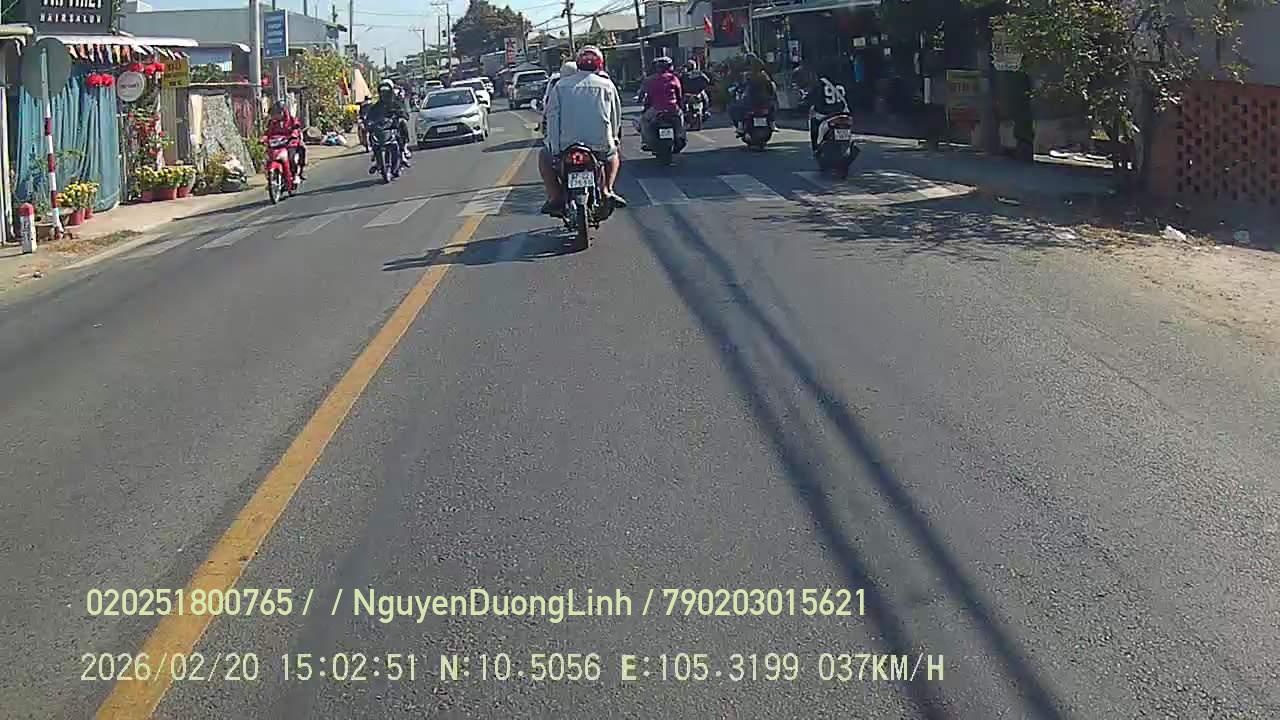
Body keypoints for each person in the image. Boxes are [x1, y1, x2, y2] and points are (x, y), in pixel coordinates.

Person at [540, 45, 627, 215]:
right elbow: (615, 117)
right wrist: (613, 139)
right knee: (613, 155)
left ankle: (555, 196)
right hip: (600, 145)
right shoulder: (607, 85)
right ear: (600, 64)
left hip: (565, 146)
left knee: (544, 156)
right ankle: (607, 190)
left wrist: (555, 148)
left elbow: (552, 118)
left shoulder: (560, 86)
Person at [799, 62, 851, 154]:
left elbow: (813, 97)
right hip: (842, 111)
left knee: (813, 118)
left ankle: (815, 147)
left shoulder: (820, 83)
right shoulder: (841, 81)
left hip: (825, 113)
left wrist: (805, 99)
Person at [363, 79, 411, 174]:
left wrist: (401, 116)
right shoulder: (376, 106)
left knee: (403, 125)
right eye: (382, 92)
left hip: (393, 127)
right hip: (381, 129)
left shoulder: (396, 103)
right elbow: (369, 116)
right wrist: (367, 122)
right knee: (371, 134)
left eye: (386, 91)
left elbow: (404, 113)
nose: (384, 94)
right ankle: (376, 157)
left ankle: (403, 151)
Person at [638, 56, 685, 151]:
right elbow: (679, 95)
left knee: (643, 120)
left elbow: (642, 94)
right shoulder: (674, 78)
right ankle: (680, 136)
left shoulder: (649, 80)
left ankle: (646, 141)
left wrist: (639, 100)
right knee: (680, 119)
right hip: (673, 109)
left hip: (656, 109)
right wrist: (681, 107)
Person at [729, 54, 778, 134]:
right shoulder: (764, 75)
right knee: (771, 107)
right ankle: (772, 124)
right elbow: (771, 87)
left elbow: (741, 85)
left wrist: (736, 90)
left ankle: (740, 127)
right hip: (763, 101)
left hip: (751, 101)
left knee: (737, 108)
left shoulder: (749, 75)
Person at [266, 100, 305, 182]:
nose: (277, 115)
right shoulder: (272, 123)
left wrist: (293, 135)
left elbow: (296, 128)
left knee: (291, 158)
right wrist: (263, 139)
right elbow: (268, 133)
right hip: (277, 144)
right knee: (269, 158)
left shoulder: (292, 120)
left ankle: (295, 174)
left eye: (279, 112)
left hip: (291, 143)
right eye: (276, 113)